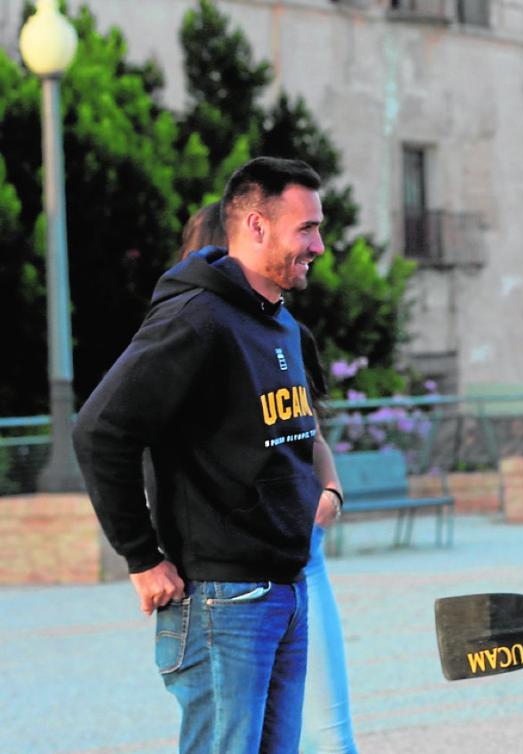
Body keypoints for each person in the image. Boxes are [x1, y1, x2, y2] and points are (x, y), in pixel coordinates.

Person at [74, 157, 328, 753]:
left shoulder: (279, 322)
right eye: (306, 229)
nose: (319, 244)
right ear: (257, 226)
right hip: (222, 602)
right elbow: (100, 431)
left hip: (285, 590)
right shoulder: (197, 320)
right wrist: (142, 557)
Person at [179, 201, 359, 754]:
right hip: (228, 571)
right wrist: (146, 558)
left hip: (303, 556)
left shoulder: (285, 333)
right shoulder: (189, 335)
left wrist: (330, 489)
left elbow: (312, 433)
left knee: (330, 738)